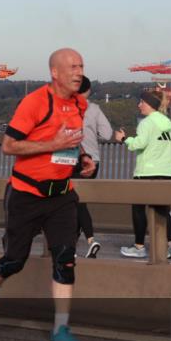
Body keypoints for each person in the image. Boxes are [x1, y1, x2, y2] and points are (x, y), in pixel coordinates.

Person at [0, 48, 95, 341]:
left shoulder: (80, 103)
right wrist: (53, 143)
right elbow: (9, 146)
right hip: (26, 194)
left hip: (62, 195)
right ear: (55, 72)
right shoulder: (36, 102)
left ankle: (60, 332)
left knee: (65, 258)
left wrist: (83, 158)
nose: (79, 72)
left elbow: (69, 143)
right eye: (72, 67)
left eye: (81, 66)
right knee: (14, 259)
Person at [114, 90, 171, 260]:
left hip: (147, 173)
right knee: (163, 208)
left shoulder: (146, 123)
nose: (139, 105)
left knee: (138, 208)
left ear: (149, 104)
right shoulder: (168, 123)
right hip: (167, 172)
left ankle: (139, 247)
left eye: (141, 102)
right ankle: (170, 243)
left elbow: (139, 143)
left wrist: (124, 139)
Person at [75, 77, 112, 258]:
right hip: (93, 160)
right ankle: (85, 242)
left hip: (70, 160)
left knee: (74, 203)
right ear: (88, 90)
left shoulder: (65, 107)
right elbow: (107, 134)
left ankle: (86, 241)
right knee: (78, 202)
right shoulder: (94, 109)